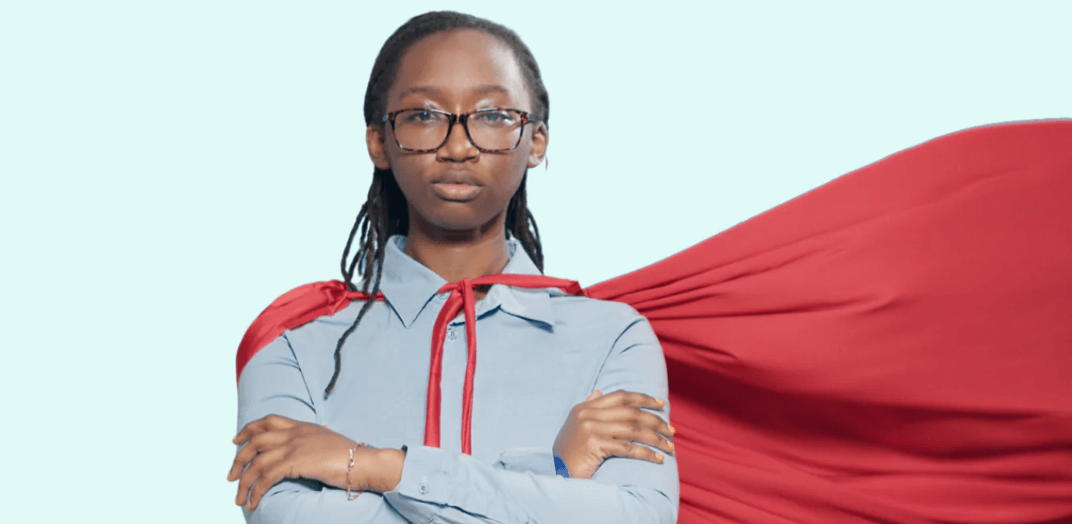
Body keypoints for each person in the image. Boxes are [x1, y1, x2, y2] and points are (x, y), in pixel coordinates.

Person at [228, 11, 679, 524]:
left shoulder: (614, 338)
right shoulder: (293, 342)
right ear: (379, 140)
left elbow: (636, 517)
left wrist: (377, 467)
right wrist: (554, 477)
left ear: (536, 141)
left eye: (492, 115)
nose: (458, 147)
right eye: (423, 115)